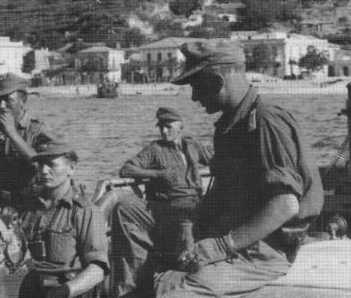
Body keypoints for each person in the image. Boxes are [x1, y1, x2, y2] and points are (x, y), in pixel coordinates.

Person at [154, 39, 323, 298]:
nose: (194, 97)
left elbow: (286, 204)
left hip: (266, 251)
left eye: (196, 86)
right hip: (240, 240)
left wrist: (220, 247)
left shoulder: (266, 120)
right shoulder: (230, 126)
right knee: (157, 271)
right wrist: (196, 230)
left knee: (176, 294)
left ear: (218, 80)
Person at [110, 107, 213, 298]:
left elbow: (215, 161)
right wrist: (157, 174)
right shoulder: (155, 149)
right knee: (186, 239)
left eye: (168, 126)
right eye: (161, 127)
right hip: (170, 209)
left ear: (180, 126)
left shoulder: (192, 145)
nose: (164, 131)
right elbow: (126, 170)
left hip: (196, 205)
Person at [18, 142, 109, 298]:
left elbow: (98, 269)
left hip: (69, 290)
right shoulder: (28, 207)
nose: (44, 171)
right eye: (41, 164)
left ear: (71, 169)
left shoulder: (83, 211)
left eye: (51, 165)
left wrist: (65, 291)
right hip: (32, 288)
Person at [0, 72, 55, 210]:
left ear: (23, 102)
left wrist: (12, 133)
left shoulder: (38, 129)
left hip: (32, 204)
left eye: (7, 100)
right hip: (4, 203)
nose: (1, 106)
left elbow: (43, 166)